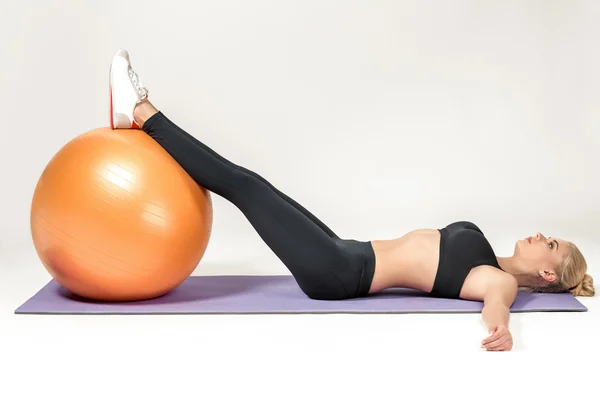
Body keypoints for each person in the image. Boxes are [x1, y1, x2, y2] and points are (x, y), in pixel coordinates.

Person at [108, 49, 594, 351]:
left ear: (547, 274)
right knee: (254, 184)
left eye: (549, 244)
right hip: (345, 252)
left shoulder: (496, 279)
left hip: (339, 273)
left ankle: (142, 111)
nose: (539, 236)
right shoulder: (488, 258)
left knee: (244, 186)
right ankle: (143, 114)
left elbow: (497, 306)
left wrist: (501, 331)